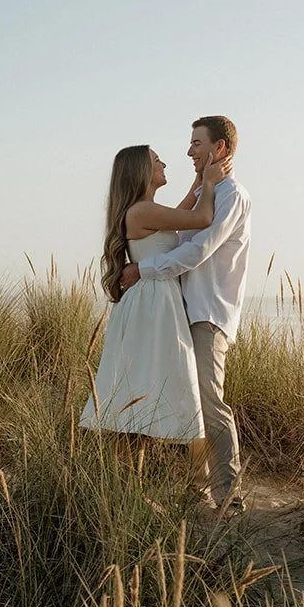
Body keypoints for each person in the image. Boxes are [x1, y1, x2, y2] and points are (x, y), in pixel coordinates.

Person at [119, 116, 251, 511]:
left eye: (196, 143)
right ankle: (197, 492)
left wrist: (142, 270)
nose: (189, 151)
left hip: (208, 312)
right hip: (181, 312)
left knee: (210, 403)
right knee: (190, 404)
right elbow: (171, 237)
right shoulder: (203, 196)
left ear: (219, 149)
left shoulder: (231, 196)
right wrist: (198, 187)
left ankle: (230, 499)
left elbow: (198, 249)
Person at [80, 144, 231, 444]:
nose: (164, 164)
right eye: (156, 160)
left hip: (153, 300)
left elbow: (178, 212)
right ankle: (173, 472)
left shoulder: (145, 210)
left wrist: (199, 180)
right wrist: (211, 183)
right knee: (156, 379)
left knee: (146, 379)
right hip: (154, 303)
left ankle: (145, 463)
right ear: (142, 172)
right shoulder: (142, 211)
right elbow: (201, 218)